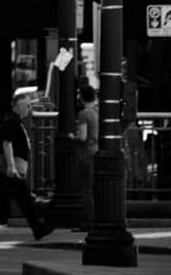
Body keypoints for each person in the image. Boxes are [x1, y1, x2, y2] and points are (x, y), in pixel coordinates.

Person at [0, 87, 55, 244]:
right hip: (11, 171)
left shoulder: (12, 121)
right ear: (18, 105)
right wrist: (11, 167)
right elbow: (6, 143)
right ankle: (37, 228)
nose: (29, 109)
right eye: (27, 106)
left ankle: (36, 229)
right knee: (13, 202)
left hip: (10, 171)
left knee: (8, 202)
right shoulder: (13, 121)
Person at [70, 82, 99, 233]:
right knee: (93, 189)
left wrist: (71, 137)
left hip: (86, 154)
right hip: (97, 153)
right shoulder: (97, 112)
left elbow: (82, 137)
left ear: (81, 97)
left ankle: (88, 222)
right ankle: (94, 220)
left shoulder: (84, 114)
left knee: (86, 190)